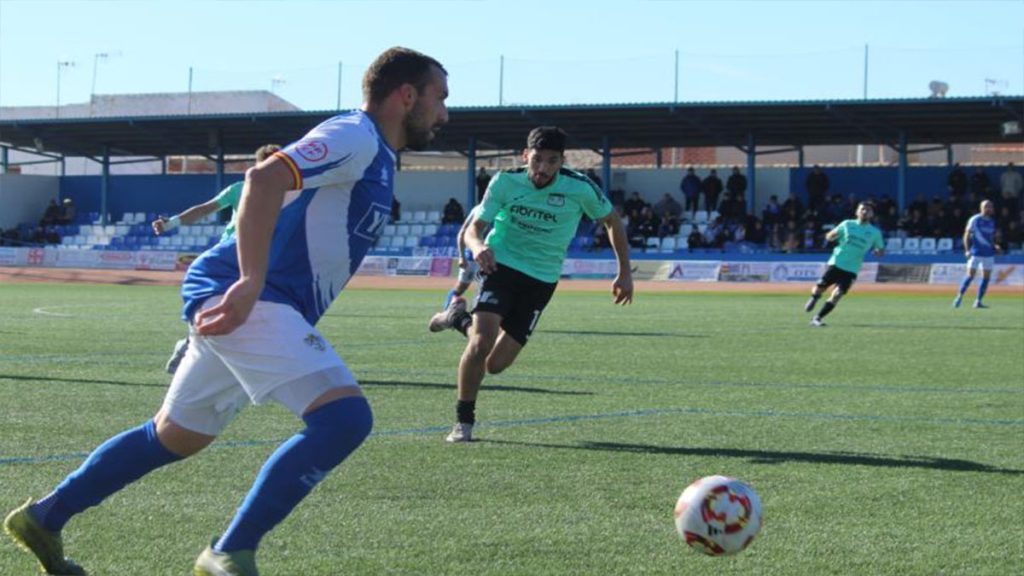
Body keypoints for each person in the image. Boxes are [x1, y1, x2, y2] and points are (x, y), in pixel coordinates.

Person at [3, 46, 449, 576]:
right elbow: (263, 179)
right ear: (406, 96)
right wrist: (248, 281)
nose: (444, 113)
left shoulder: (374, 155)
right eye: (440, 98)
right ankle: (228, 552)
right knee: (345, 419)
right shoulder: (355, 135)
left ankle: (45, 517)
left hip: (255, 301)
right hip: (250, 297)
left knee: (174, 436)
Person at [436, 126, 633, 443]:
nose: (542, 169)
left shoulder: (580, 188)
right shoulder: (505, 181)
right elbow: (475, 228)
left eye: (551, 161)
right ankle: (464, 422)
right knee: (480, 342)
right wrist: (477, 248)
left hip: (541, 280)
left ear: (562, 161)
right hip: (500, 266)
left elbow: (612, 220)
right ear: (525, 156)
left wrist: (624, 272)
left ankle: (456, 316)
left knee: (495, 364)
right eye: (537, 160)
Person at [152, 143, 282, 375]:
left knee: (258, 307)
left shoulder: (288, 193)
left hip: (262, 255)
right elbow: (204, 209)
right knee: (227, 304)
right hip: (230, 253)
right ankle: (190, 346)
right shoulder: (240, 188)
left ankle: (213, 353)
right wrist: (170, 223)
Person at [804, 202, 884, 327]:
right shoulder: (847, 224)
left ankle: (817, 318)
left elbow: (881, 250)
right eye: (862, 209)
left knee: (837, 294)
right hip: (837, 262)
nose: (864, 212)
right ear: (857, 212)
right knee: (821, 287)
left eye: (868, 210)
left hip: (852, 268)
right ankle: (815, 297)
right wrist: (830, 236)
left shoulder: (875, 232)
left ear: (872, 214)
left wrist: (878, 252)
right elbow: (829, 236)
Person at [428, 204, 485, 332]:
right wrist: (461, 257)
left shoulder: (503, 209)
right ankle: (448, 314)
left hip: (489, 258)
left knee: (485, 290)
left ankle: (480, 320)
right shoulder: (478, 210)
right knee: (459, 289)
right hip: (471, 258)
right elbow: (462, 233)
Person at [953, 200, 1001, 309]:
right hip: (976, 252)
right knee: (970, 275)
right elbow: (966, 234)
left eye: (990, 206)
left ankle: (978, 301)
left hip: (988, 254)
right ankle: (959, 297)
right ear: (981, 208)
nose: (988, 208)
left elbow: (990, 238)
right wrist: (967, 250)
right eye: (986, 206)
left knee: (986, 278)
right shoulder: (975, 219)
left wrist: (995, 246)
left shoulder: (992, 221)